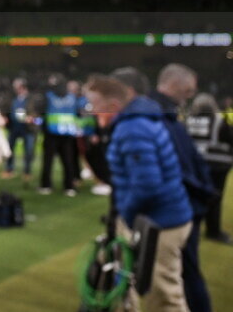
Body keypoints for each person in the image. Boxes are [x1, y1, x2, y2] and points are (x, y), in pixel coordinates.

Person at [85, 75, 193, 312]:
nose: (91, 111)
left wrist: (126, 214)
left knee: (163, 295)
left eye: (94, 105)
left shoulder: (132, 129)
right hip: (156, 217)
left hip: (161, 222)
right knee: (127, 286)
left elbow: (147, 185)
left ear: (113, 106)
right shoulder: (137, 121)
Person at [147, 64, 214, 312]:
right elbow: (178, 168)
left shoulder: (166, 114)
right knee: (180, 276)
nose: (189, 96)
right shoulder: (159, 116)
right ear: (174, 85)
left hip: (180, 206)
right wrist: (202, 193)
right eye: (187, 91)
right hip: (178, 208)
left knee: (178, 275)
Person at [186, 93, 232, 245]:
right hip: (218, 165)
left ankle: (192, 227)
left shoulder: (188, 120)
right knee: (214, 198)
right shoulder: (219, 121)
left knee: (193, 195)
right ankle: (213, 231)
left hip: (194, 164)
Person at [39, 74, 80, 196]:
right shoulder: (72, 98)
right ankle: (69, 186)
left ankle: (46, 185)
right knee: (68, 161)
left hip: (51, 134)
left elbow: (42, 113)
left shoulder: (48, 97)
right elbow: (77, 114)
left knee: (48, 161)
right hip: (67, 133)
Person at [2, 77, 36, 181]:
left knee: (29, 151)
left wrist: (32, 119)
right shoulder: (12, 99)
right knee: (9, 149)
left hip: (27, 129)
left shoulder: (32, 99)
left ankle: (27, 172)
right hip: (14, 128)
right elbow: (6, 110)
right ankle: (9, 169)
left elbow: (38, 116)